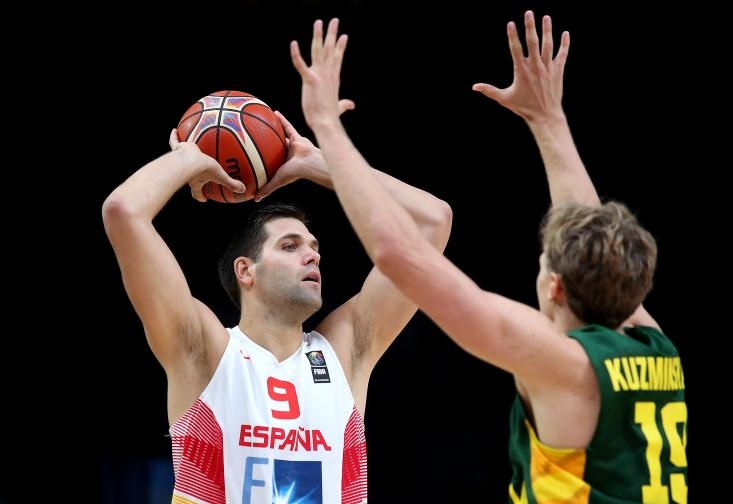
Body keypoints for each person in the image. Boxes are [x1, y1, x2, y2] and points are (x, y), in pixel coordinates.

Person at [284, 13, 687, 503]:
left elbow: (400, 254)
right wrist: (548, 120)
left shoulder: (561, 363)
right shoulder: (656, 346)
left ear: (555, 287)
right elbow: (589, 238)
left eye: (545, 261)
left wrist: (328, 127)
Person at [101, 99, 452, 501]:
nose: (313, 255)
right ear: (245, 271)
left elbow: (433, 220)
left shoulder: (346, 351)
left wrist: (321, 165)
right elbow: (123, 211)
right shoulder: (203, 350)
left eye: (314, 246)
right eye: (289, 245)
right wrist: (186, 158)